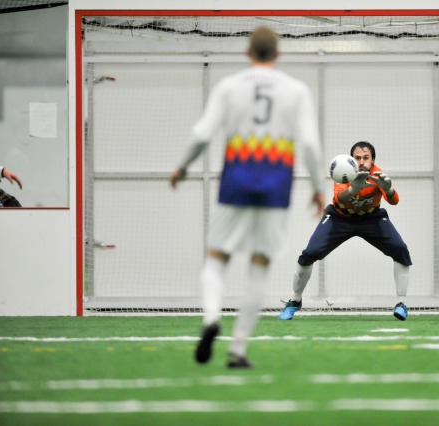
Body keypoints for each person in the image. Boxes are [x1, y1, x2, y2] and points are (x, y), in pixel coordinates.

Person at [170, 27, 324, 369]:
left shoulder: (230, 86)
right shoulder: (296, 91)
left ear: (247, 52)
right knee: (259, 265)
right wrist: (317, 187)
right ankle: (237, 350)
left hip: (236, 178)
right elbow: (311, 145)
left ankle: (211, 318)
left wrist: (181, 167)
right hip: (275, 183)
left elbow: (201, 134)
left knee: (217, 257)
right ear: (278, 54)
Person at [279, 141, 412, 321]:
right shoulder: (345, 171)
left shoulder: (377, 175)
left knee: (400, 250)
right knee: (309, 254)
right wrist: (353, 188)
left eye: (366, 157)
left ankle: (401, 303)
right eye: (358, 158)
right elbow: (339, 198)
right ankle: (295, 301)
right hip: (339, 218)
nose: (362, 161)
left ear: (373, 160)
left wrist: (388, 189)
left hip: (371, 218)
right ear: (352, 160)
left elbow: (394, 201)